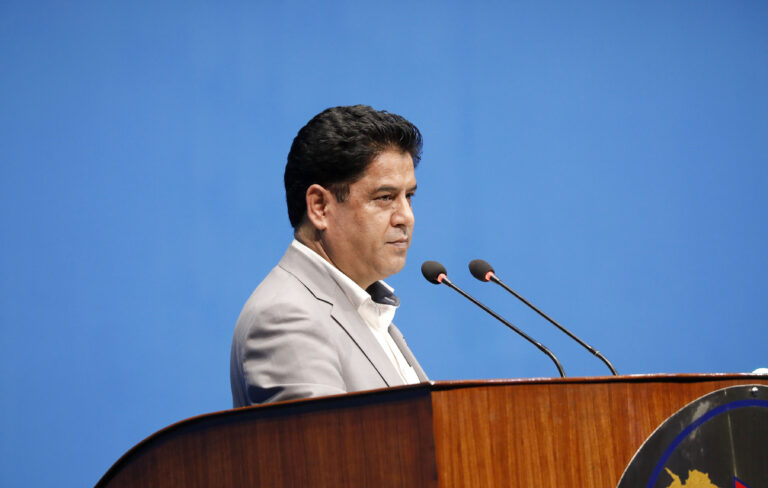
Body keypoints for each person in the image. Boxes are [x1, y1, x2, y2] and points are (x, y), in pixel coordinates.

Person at [230, 105, 429, 407]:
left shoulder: (364, 308)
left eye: (409, 196)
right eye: (385, 197)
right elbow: (321, 440)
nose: (406, 217)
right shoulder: (287, 318)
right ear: (320, 207)